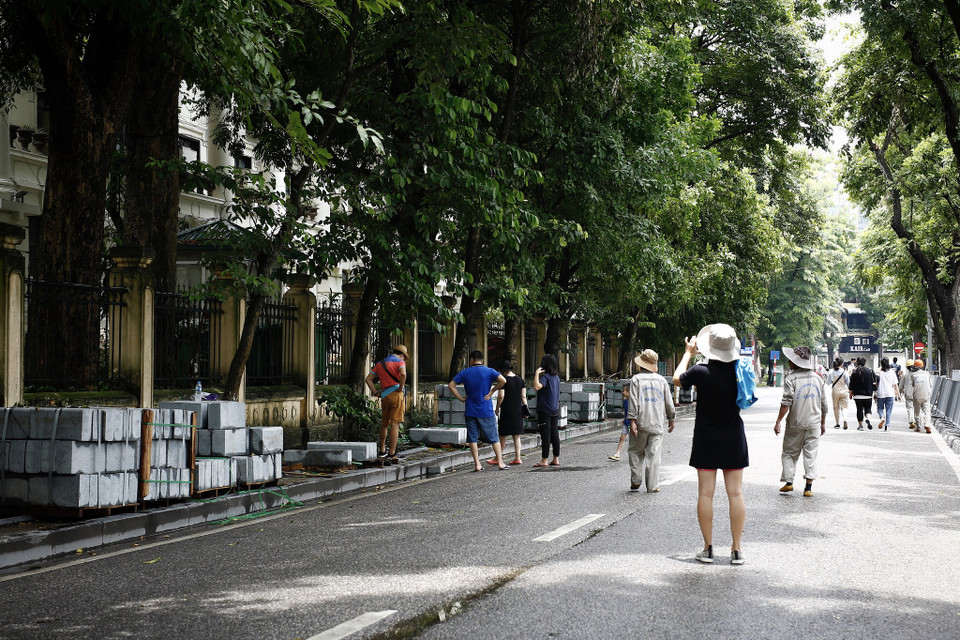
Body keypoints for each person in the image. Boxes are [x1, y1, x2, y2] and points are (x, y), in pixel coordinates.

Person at [673, 323, 747, 566]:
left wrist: (687, 353)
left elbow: (676, 379)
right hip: (734, 435)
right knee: (735, 493)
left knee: (706, 493)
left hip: (706, 437)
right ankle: (736, 550)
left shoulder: (700, 371)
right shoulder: (740, 371)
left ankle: (708, 549)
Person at [774, 346, 828, 497]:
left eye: (790, 360)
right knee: (811, 454)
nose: (788, 361)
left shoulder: (791, 379)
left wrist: (778, 421)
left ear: (795, 363)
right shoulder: (818, 378)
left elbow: (786, 402)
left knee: (789, 453)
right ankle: (808, 488)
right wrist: (823, 422)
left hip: (795, 423)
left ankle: (789, 482)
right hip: (814, 423)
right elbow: (824, 404)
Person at [449, 350, 508, 471]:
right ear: (482, 360)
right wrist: (492, 391)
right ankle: (500, 462)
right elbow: (503, 380)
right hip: (486, 409)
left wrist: (460, 398)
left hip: (470, 409)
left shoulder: (465, 372)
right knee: (493, 437)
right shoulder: (490, 371)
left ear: (471, 360)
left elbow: (451, 385)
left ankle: (477, 464)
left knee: (472, 438)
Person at [627, 349, 675, 492]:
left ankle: (636, 479)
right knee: (654, 456)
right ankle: (653, 486)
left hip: (641, 423)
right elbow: (669, 402)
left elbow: (633, 401)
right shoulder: (662, 380)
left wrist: (632, 420)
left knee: (635, 451)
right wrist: (671, 418)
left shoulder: (636, 380)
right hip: (657, 424)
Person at [364, 345, 410, 464]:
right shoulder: (400, 362)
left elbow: (368, 379)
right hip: (396, 394)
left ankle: (382, 450)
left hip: (384, 396)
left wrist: (375, 392)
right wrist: (400, 387)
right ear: (402, 355)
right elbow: (403, 374)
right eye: (404, 357)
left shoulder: (381, 363)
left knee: (384, 423)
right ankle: (392, 452)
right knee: (395, 423)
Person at [493, 359, 527, 465]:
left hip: (507, 410)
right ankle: (517, 457)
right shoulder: (520, 380)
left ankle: (498, 458)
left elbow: (501, 396)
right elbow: (523, 396)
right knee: (516, 436)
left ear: (502, 370)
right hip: (517, 410)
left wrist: (497, 407)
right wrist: (525, 409)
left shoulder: (504, 380)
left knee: (502, 435)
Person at [533, 353, 562, 468]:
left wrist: (536, 374)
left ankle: (544, 460)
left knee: (545, 435)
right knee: (555, 434)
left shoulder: (545, 377)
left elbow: (536, 387)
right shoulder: (556, 377)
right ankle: (556, 458)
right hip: (555, 409)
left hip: (545, 410)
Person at [905, 359, 933, 434]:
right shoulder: (927, 374)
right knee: (927, 411)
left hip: (917, 395)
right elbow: (931, 385)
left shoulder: (913, 375)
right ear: (922, 366)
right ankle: (927, 424)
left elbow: (913, 385)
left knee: (917, 412)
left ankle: (918, 427)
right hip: (926, 395)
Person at [848, 356, 876, 430]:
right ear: (865, 363)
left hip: (857, 395)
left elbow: (851, 385)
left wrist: (850, 393)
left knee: (859, 410)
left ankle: (860, 426)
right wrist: (875, 392)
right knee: (868, 409)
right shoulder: (870, 371)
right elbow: (874, 383)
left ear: (857, 363)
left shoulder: (854, 373)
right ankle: (868, 419)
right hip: (868, 395)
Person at [825, 357, 850, 430]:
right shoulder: (845, 372)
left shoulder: (831, 372)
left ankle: (837, 423)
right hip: (844, 390)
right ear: (842, 364)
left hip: (835, 390)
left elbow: (828, 382)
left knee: (836, 408)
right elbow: (848, 382)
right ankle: (845, 419)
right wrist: (851, 391)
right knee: (844, 407)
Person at [876, 357, 900, 431]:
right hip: (890, 393)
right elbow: (895, 384)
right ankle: (887, 426)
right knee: (889, 410)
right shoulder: (892, 372)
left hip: (881, 393)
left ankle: (882, 417)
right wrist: (898, 394)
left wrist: (875, 392)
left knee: (879, 408)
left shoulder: (879, 372)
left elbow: (876, 383)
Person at [608, 384, 630, 461]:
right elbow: (626, 411)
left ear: (629, 392)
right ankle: (617, 454)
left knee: (634, 440)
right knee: (622, 438)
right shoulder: (625, 401)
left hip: (632, 424)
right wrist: (624, 419)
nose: (623, 392)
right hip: (626, 423)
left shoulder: (634, 402)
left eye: (624, 391)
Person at [901, 360, 916, 430]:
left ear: (907, 368)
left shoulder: (906, 375)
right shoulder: (917, 375)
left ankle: (911, 421)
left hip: (909, 394)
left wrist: (899, 393)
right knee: (917, 409)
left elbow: (901, 386)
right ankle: (917, 422)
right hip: (917, 394)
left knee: (910, 408)